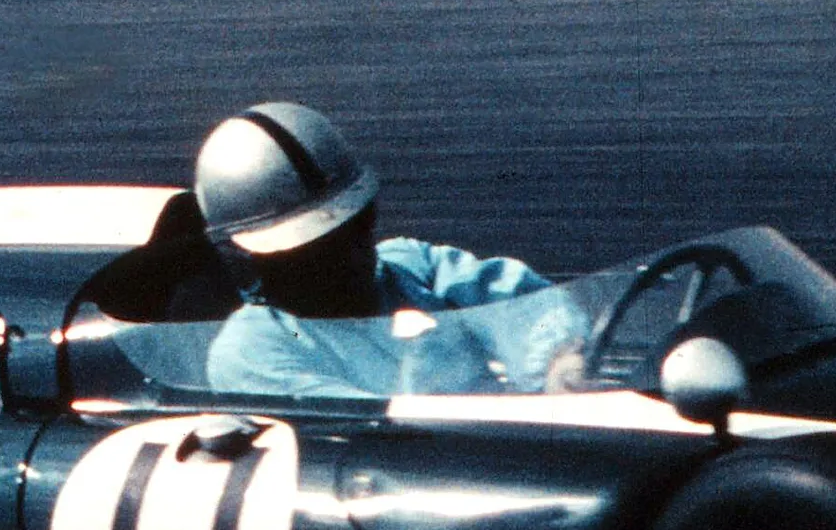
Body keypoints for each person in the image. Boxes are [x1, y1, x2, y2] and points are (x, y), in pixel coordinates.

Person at [196, 102, 585, 399]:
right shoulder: (250, 351)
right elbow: (372, 435)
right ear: (251, 258)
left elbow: (527, 307)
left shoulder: (413, 267)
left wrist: (560, 359)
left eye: (352, 229)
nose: (346, 256)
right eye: (313, 250)